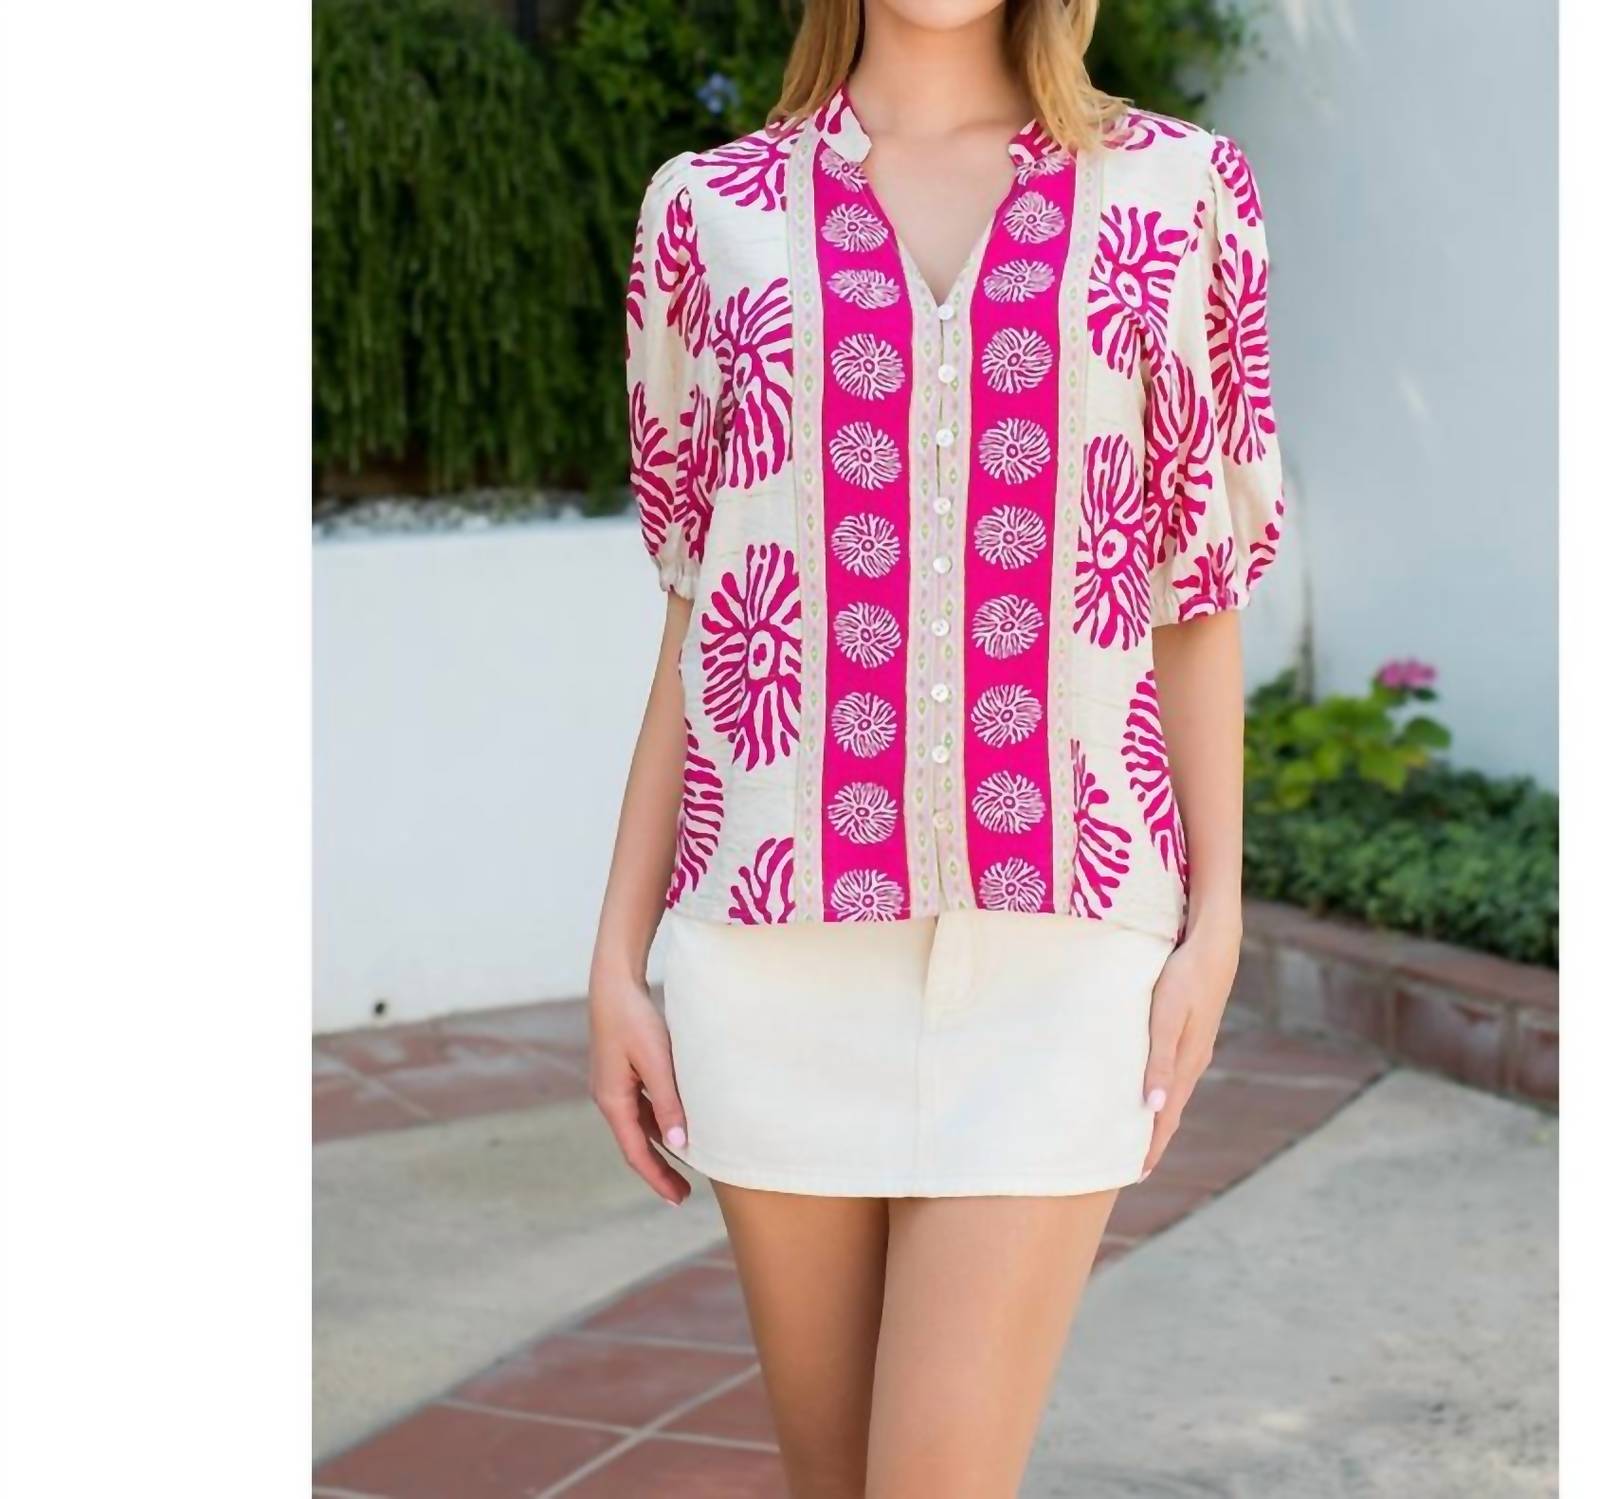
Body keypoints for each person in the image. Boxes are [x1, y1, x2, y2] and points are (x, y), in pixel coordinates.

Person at [589, 0, 1283, 1490]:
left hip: (1062, 957)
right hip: (772, 959)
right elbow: (701, 617)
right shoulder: (708, 214)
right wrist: (616, 960)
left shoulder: (1177, 193)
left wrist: (1217, 923)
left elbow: (1197, 592)